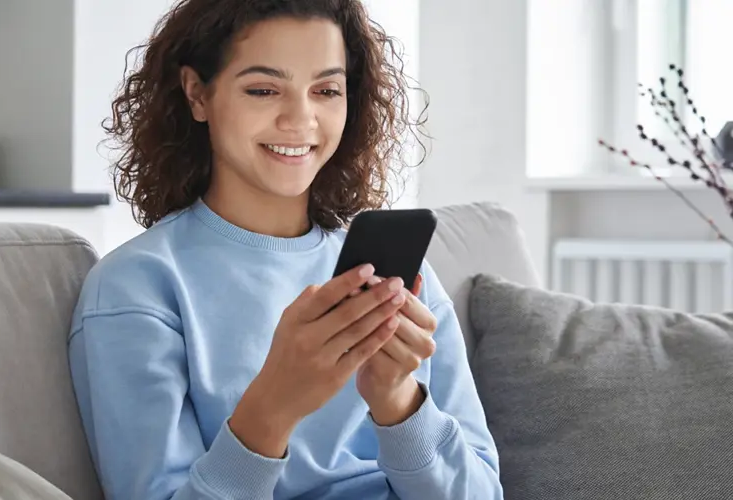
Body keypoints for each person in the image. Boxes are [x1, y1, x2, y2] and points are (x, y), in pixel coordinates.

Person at [67, 0, 503, 499]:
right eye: (263, 89)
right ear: (197, 94)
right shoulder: (137, 287)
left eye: (326, 90)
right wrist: (274, 404)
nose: (301, 119)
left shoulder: (399, 280)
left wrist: (398, 401)